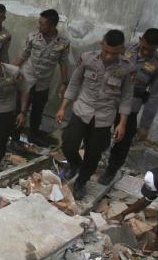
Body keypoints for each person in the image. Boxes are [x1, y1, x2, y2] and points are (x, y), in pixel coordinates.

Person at [56, 29, 133, 199]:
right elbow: (74, 83)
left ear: (121, 50)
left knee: (93, 155)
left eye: (114, 53)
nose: (108, 56)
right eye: (106, 51)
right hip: (82, 109)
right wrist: (63, 107)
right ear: (101, 45)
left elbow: (127, 97)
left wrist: (122, 124)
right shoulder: (87, 58)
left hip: (104, 118)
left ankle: (81, 183)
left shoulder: (126, 68)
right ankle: (75, 164)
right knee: (68, 143)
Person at [99, 27, 158, 183]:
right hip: (109, 98)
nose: (145, 53)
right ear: (140, 40)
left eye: (150, 50)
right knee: (99, 132)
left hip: (131, 105)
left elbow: (155, 97)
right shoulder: (125, 48)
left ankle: (111, 171)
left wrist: (145, 125)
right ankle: (92, 160)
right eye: (143, 47)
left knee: (122, 141)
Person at [15, 8, 70, 147]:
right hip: (27, 79)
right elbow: (23, 55)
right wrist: (11, 71)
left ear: (52, 26)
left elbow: (63, 62)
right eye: (39, 23)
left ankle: (33, 136)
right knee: (20, 109)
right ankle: (14, 136)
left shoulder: (63, 43)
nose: (39, 26)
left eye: (42, 24)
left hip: (43, 83)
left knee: (37, 112)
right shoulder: (33, 36)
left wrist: (64, 82)